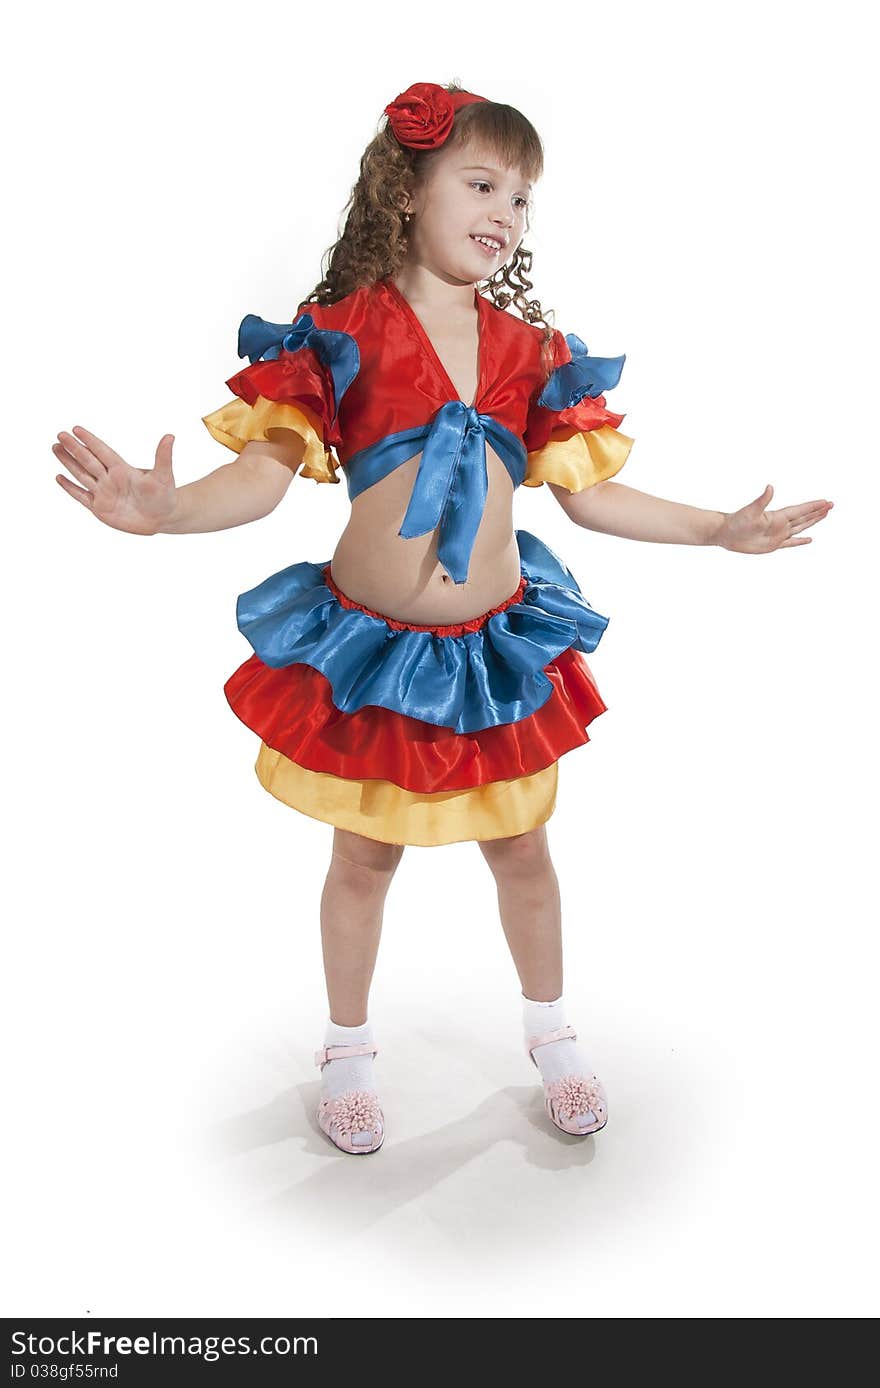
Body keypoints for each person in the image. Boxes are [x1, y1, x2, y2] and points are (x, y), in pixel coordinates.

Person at [52, 80, 833, 1156]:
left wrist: (713, 529)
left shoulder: (530, 350)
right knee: (364, 858)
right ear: (405, 189)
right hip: (377, 657)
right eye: (481, 182)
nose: (505, 211)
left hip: (487, 657)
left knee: (523, 848)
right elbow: (261, 477)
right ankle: (348, 1048)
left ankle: (552, 1033)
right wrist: (170, 508)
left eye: (521, 197)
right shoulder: (338, 334)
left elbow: (590, 493)